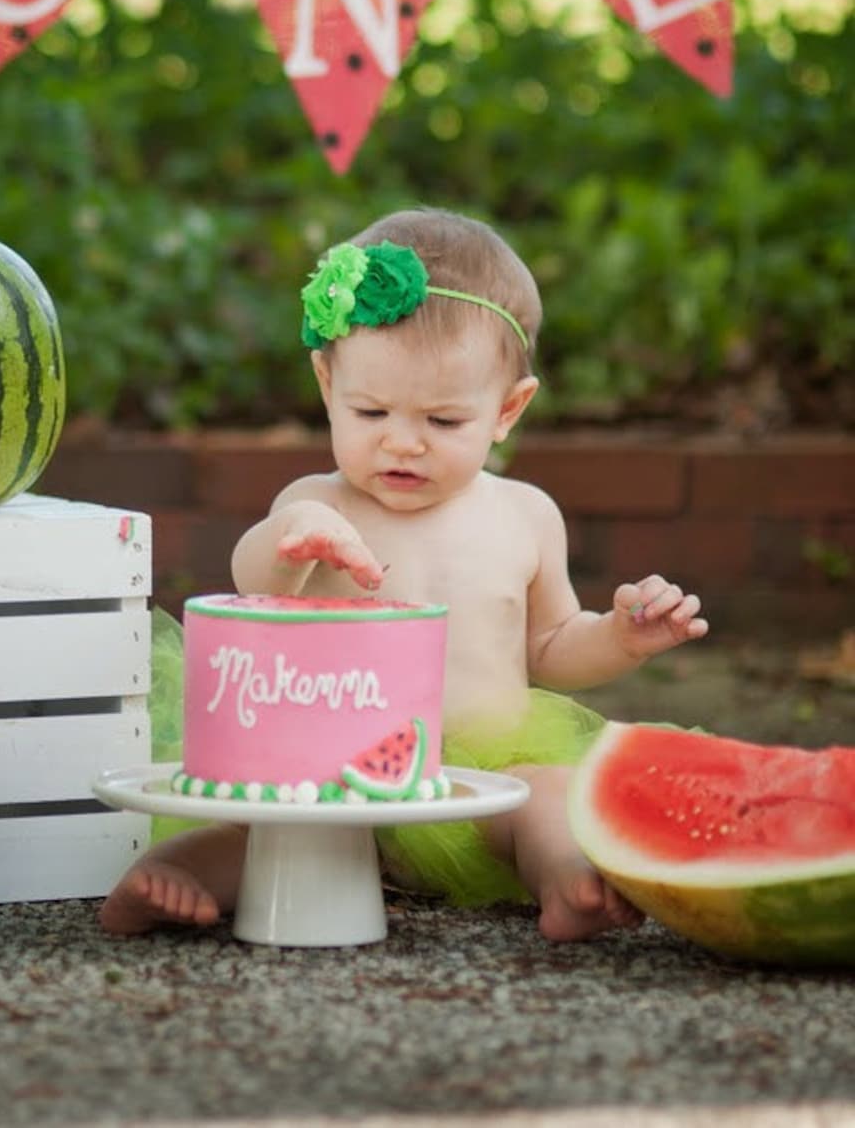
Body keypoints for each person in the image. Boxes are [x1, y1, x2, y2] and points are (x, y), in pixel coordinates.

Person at [100, 207, 708, 942]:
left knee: (552, 794)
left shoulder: (525, 515)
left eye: (444, 422)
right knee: (252, 827)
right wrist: (292, 541)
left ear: (508, 410)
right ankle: (173, 875)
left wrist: (619, 637)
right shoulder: (315, 504)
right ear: (327, 385)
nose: (401, 441)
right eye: (370, 409)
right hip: (324, 776)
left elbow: (549, 646)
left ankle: (566, 882)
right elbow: (253, 581)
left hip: (481, 783)